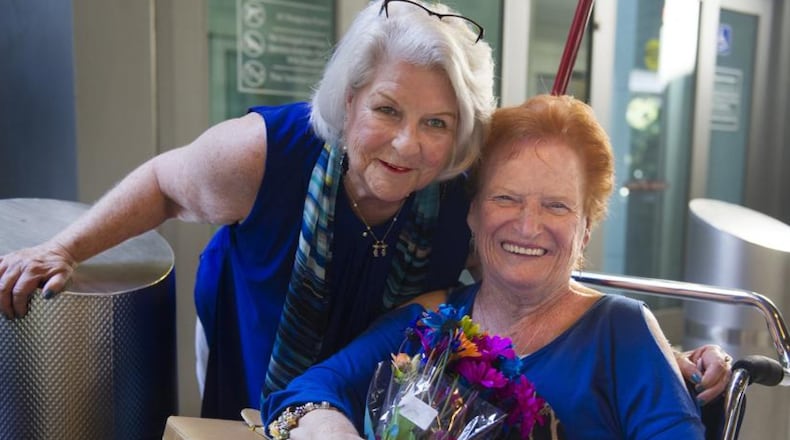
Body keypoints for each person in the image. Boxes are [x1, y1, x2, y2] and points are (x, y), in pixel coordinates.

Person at [0, 0, 727, 421]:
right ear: (349, 100)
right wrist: (64, 247)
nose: (409, 143)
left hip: (377, 354)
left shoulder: (458, 192)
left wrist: (659, 354)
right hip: (261, 324)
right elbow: (162, 184)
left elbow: (542, 276)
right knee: (252, 416)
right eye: (387, 109)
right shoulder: (263, 153)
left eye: (439, 123)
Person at [260, 95, 726, 439]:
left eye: (557, 206)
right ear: (473, 212)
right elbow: (304, 393)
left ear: (585, 230)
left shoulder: (621, 330)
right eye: (506, 198)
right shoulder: (432, 320)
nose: (528, 225)